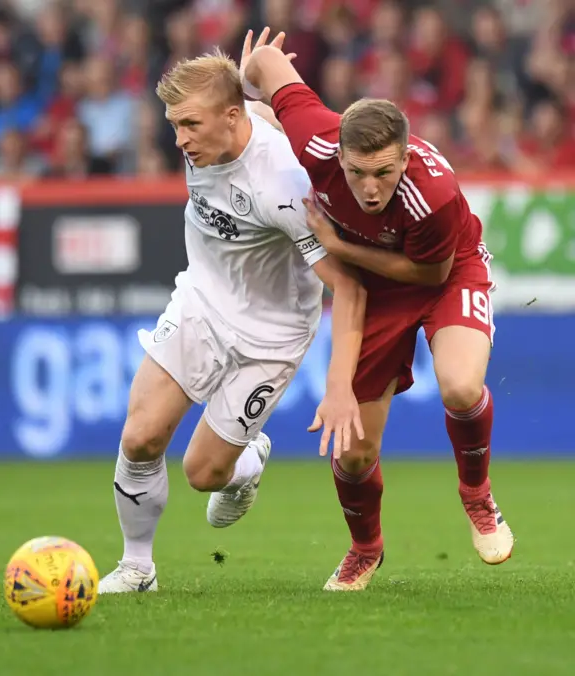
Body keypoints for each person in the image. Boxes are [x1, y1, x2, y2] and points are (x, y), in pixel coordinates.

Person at [242, 29, 515, 592]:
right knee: (354, 449)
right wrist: (249, 83)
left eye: (384, 173)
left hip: (445, 270)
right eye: (358, 171)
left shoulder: (432, 195)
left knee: (461, 387)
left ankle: (477, 494)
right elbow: (268, 62)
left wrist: (339, 247)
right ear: (338, 152)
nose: (370, 187)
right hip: (377, 288)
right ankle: (365, 550)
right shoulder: (314, 139)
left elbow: (427, 275)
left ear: (406, 156)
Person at [98, 46, 367, 594]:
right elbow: (258, 105)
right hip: (202, 301)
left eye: (189, 125)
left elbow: (346, 285)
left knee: (204, 474)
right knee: (142, 436)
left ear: (230, 117)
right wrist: (247, 79)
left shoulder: (284, 187)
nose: (180, 141)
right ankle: (136, 567)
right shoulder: (215, 130)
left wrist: (341, 385)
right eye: (174, 125)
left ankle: (247, 460)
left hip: (272, 335)